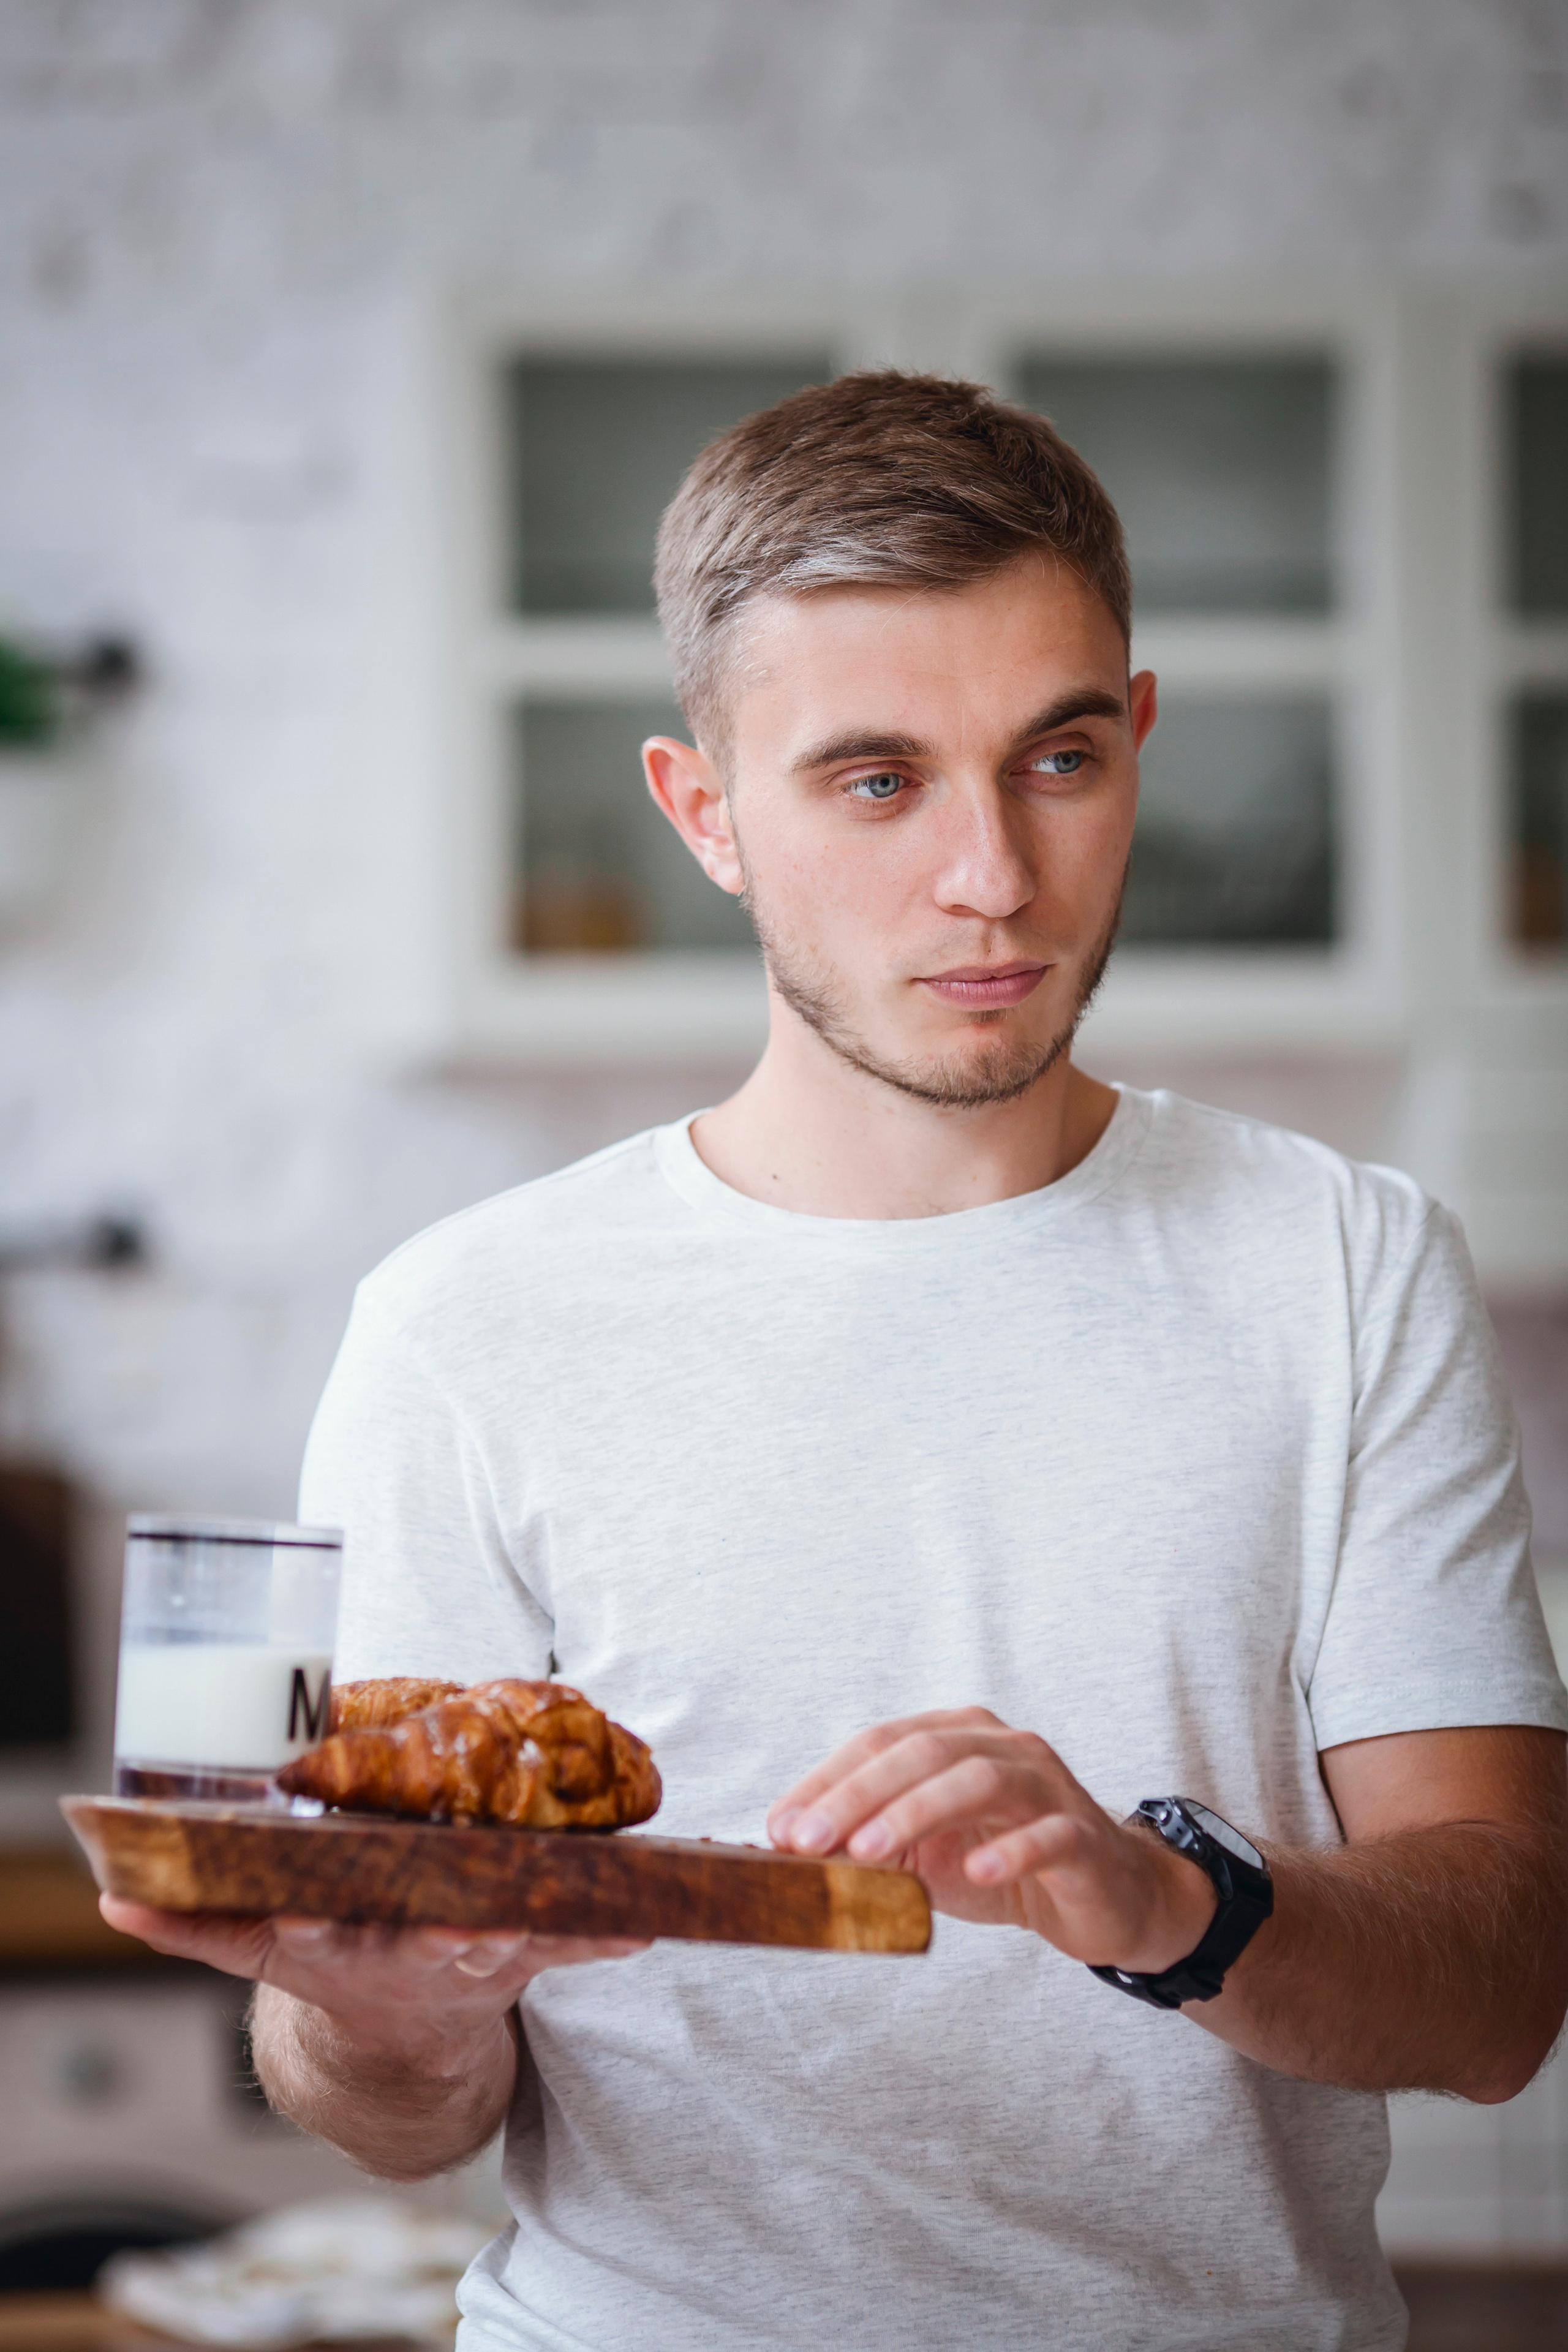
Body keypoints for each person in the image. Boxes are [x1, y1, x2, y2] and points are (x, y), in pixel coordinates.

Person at [106, 373, 1568, 2352]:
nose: (992, 878)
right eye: (875, 781)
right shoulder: (468, 1325)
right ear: (704, 813)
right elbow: (388, 2104)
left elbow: (1501, 1991)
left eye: (1054, 759)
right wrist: (392, 2006)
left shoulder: (1343, 1262)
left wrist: (1167, 1903)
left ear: (1135, 741)